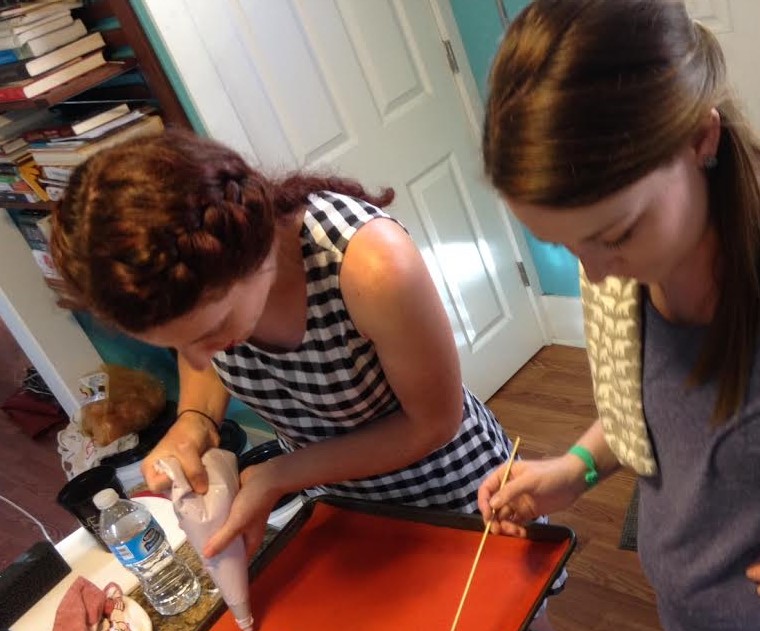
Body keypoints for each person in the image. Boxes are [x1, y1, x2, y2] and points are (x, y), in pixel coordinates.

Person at [50, 129, 534, 573]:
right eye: (178, 343)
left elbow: (433, 423)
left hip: (449, 492)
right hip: (339, 502)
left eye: (214, 331)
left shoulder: (370, 265)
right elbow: (203, 355)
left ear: (253, 252)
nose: (197, 359)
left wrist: (279, 474)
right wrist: (194, 419)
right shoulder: (201, 300)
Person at [477, 0, 760, 631]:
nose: (595, 273)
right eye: (564, 245)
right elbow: (649, 408)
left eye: (615, 235)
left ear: (701, 138)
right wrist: (574, 468)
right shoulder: (618, 272)